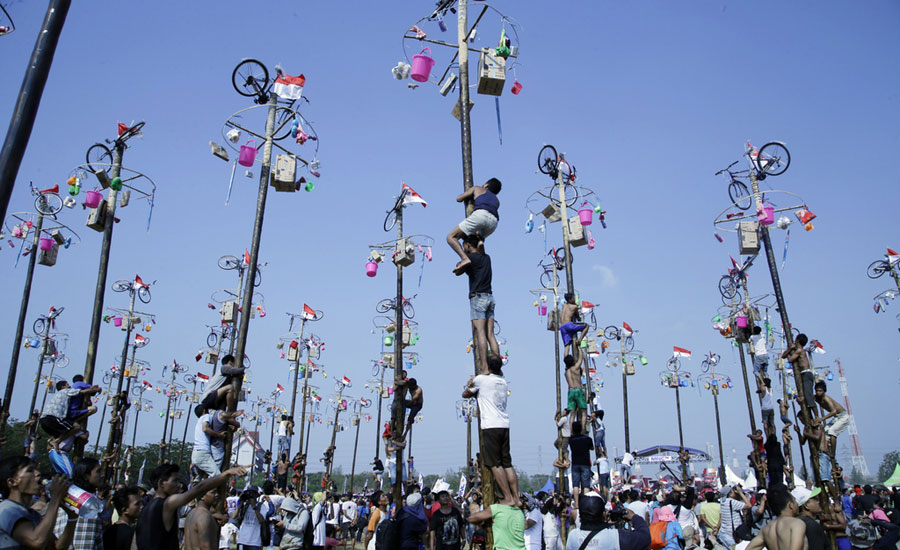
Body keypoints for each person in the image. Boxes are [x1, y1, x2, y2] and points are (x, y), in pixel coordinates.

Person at [136, 462, 247, 550]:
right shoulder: (166, 504)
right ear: (161, 484)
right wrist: (226, 473)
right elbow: (200, 488)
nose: (179, 485)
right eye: (175, 481)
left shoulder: (145, 508)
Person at [462, 354, 519, 506]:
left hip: (491, 426)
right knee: (507, 463)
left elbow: (465, 394)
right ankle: (516, 497)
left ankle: (507, 497)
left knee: (495, 464)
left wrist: (471, 385)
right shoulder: (503, 381)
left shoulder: (481, 379)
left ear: (488, 366)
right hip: (504, 424)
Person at [0, 456, 77, 549]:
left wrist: (72, 518)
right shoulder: (7, 510)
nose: (38, 473)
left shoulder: (33, 515)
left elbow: (57, 547)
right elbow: (37, 541)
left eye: (36, 470)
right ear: (12, 482)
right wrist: (56, 498)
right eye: (30, 470)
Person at [460, 236, 499, 374]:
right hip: (490, 297)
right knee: (491, 334)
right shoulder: (487, 258)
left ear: (468, 245)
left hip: (478, 298)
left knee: (480, 333)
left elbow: (458, 267)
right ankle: (497, 368)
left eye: (464, 246)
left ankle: (485, 367)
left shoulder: (470, 259)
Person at [447, 177, 502, 275]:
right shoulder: (497, 201)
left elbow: (459, 199)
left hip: (481, 215)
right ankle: (480, 241)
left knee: (451, 237)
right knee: (471, 239)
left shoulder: (478, 188)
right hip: (493, 222)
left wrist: (469, 194)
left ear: (486, 185)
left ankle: (464, 259)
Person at [53, 457, 105, 550]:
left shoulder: (69, 497)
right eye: (98, 471)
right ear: (86, 476)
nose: (102, 475)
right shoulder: (85, 504)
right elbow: (83, 545)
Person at [565, 494, 650, 550]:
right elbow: (645, 538)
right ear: (603, 514)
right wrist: (634, 517)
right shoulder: (613, 536)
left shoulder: (573, 536)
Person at [40, 380, 100, 451]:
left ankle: (52, 442)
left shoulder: (58, 394)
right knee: (77, 427)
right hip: (53, 417)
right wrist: (96, 390)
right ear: (63, 387)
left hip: (43, 420)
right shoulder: (66, 391)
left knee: (62, 432)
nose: (69, 386)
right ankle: (56, 441)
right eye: (67, 384)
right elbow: (83, 392)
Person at [744, 485, 806, 550]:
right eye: (795, 501)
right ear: (791, 505)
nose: (797, 504)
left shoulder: (766, 529)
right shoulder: (796, 524)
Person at [782, 335, 816, 417]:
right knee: (802, 397)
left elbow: (790, 360)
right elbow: (783, 356)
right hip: (804, 375)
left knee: (808, 397)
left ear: (797, 341)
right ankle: (811, 416)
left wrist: (790, 349)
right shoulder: (798, 351)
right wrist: (790, 349)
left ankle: (817, 416)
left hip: (806, 374)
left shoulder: (800, 351)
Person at [813, 381, 848, 456]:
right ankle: (827, 452)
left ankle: (833, 454)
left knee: (832, 431)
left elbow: (834, 411)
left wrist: (822, 419)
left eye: (820, 391)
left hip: (842, 417)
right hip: (836, 417)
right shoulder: (816, 397)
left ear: (824, 391)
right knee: (825, 433)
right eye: (817, 391)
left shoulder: (826, 398)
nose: (818, 393)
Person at [192, 404, 228, 478]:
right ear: (204, 410)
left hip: (196, 454)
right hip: (203, 453)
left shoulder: (198, 421)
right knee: (217, 476)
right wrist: (219, 435)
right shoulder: (206, 416)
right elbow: (205, 429)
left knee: (201, 479)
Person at [568, 421, 594, 509]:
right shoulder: (587, 439)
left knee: (575, 485)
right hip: (585, 463)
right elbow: (592, 448)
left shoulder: (571, 440)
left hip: (575, 463)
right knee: (586, 485)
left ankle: (576, 504)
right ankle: (586, 504)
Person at [718, 485, 751, 550]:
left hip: (724, 532)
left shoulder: (722, 501)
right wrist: (740, 493)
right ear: (730, 494)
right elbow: (749, 505)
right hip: (732, 534)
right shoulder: (732, 502)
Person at [564, 354, 588, 427]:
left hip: (571, 391)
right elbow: (581, 358)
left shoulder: (566, 372)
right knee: (584, 412)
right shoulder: (576, 368)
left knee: (572, 414)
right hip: (578, 390)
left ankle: (572, 431)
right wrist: (579, 349)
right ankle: (583, 429)